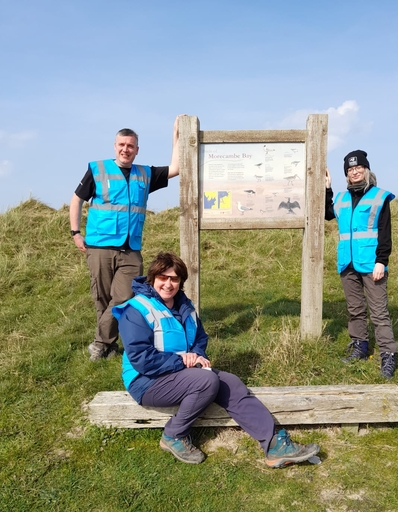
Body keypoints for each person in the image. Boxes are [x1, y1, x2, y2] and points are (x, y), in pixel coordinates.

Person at [112, 251, 320, 467]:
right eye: (162, 277)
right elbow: (141, 358)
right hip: (146, 381)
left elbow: (199, 337)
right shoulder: (136, 310)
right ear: (152, 278)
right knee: (207, 382)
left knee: (231, 383)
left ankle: (275, 446)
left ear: (181, 281)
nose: (168, 284)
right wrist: (182, 360)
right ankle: (174, 435)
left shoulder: (185, 306)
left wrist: (198, 356)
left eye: (174, 278)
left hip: (179, 373)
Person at [69, 117, 182, 361]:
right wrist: (75, 232)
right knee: (102, 298)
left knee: (124, 297)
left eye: (130, 146)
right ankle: (109, 347)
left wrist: (177, 136)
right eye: (122, 144)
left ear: (137, 150)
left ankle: (99, 344)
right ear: (115, 146)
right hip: (99, 246)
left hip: (131, 249)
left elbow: (176, 168)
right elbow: (77, 199)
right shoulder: (98, 169)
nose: (125, 149)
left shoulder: (145, 174)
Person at [325, 150, 398, 379]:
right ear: (346, 174)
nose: (354, 172)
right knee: (355, 310)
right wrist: (328, 188)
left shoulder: (379, 197)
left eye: (358, 168)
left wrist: (381, 261)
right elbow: (327, 214)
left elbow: (385, 233)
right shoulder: (341, 198)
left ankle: (388, 354)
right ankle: (360, 346)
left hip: (371, 263)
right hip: (347, 263)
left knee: (379, 313)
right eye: (350, 169)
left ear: (366, 170)